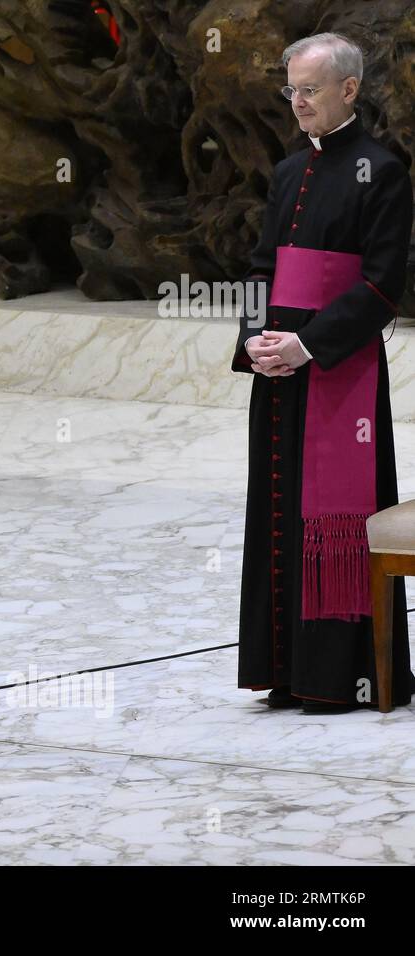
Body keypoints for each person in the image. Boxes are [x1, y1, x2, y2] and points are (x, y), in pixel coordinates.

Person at [232, 32, 414, 713]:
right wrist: (255, 339)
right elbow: (259, 269)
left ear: (348, 90)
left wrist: (308, 344)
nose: (297, 102)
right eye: (291, 90)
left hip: (338, 374)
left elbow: (382, 285)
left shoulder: (383, 170)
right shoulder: (285, 173)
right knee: (277, 513)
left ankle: (342, 677)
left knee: (332, 519)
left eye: (309, 90)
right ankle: (283, 669)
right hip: (279, 370)